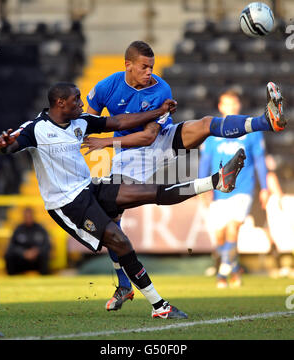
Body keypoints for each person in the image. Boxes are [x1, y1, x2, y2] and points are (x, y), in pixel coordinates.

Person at [0, 82, 247, 319]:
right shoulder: (35, 128)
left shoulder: (80, 121)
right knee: (119, 240)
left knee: (148, 191)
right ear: (60, 102)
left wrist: (157, 112)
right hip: (67, 204)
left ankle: (216, 182)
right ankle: (159, 306)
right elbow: (10, 145)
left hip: (88, 188)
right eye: (76, 100)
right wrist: (5, 145)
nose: (83, 104)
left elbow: (117, 121)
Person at [84, 40, 285, 309]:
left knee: (204, 124)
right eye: (144, 67)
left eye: (152, 67)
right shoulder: (107, 86)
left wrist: (104, 142)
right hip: (128, 157)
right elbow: (89, 120)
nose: (149, 72)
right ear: (127, 65)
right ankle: (124, 284)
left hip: (154, 140)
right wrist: (86, 139)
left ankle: (265, 121)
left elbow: (148, 136)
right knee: (111, 217)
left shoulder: (161, 89)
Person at [199, 89, 270, 288]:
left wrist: (264, 188)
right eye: (226, 104)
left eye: (233, 104)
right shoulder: (212, 132)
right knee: (220, 234)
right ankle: (234, 267)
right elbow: (205, 161)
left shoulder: (250, 130)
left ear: (238, 105)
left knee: (233, 227)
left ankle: (222, 273)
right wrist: (202, 187)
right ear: (221, 107)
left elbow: (260, 160)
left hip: (243, 188)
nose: (230, 108)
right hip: (218, 190)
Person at [4, 207, 51, 275]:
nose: (28, 218)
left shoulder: (41, 229)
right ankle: (12, 278)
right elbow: (12, 246)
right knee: (9, 255)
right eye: (26, 216)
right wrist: (23, 253)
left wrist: (37, 251)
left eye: (30, 216)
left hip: (36, 260)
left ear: (33, 216)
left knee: (45, 255)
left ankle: (44, 278)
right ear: (23, 217)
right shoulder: (18, 229)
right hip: (21, 259)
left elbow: (47, 245)